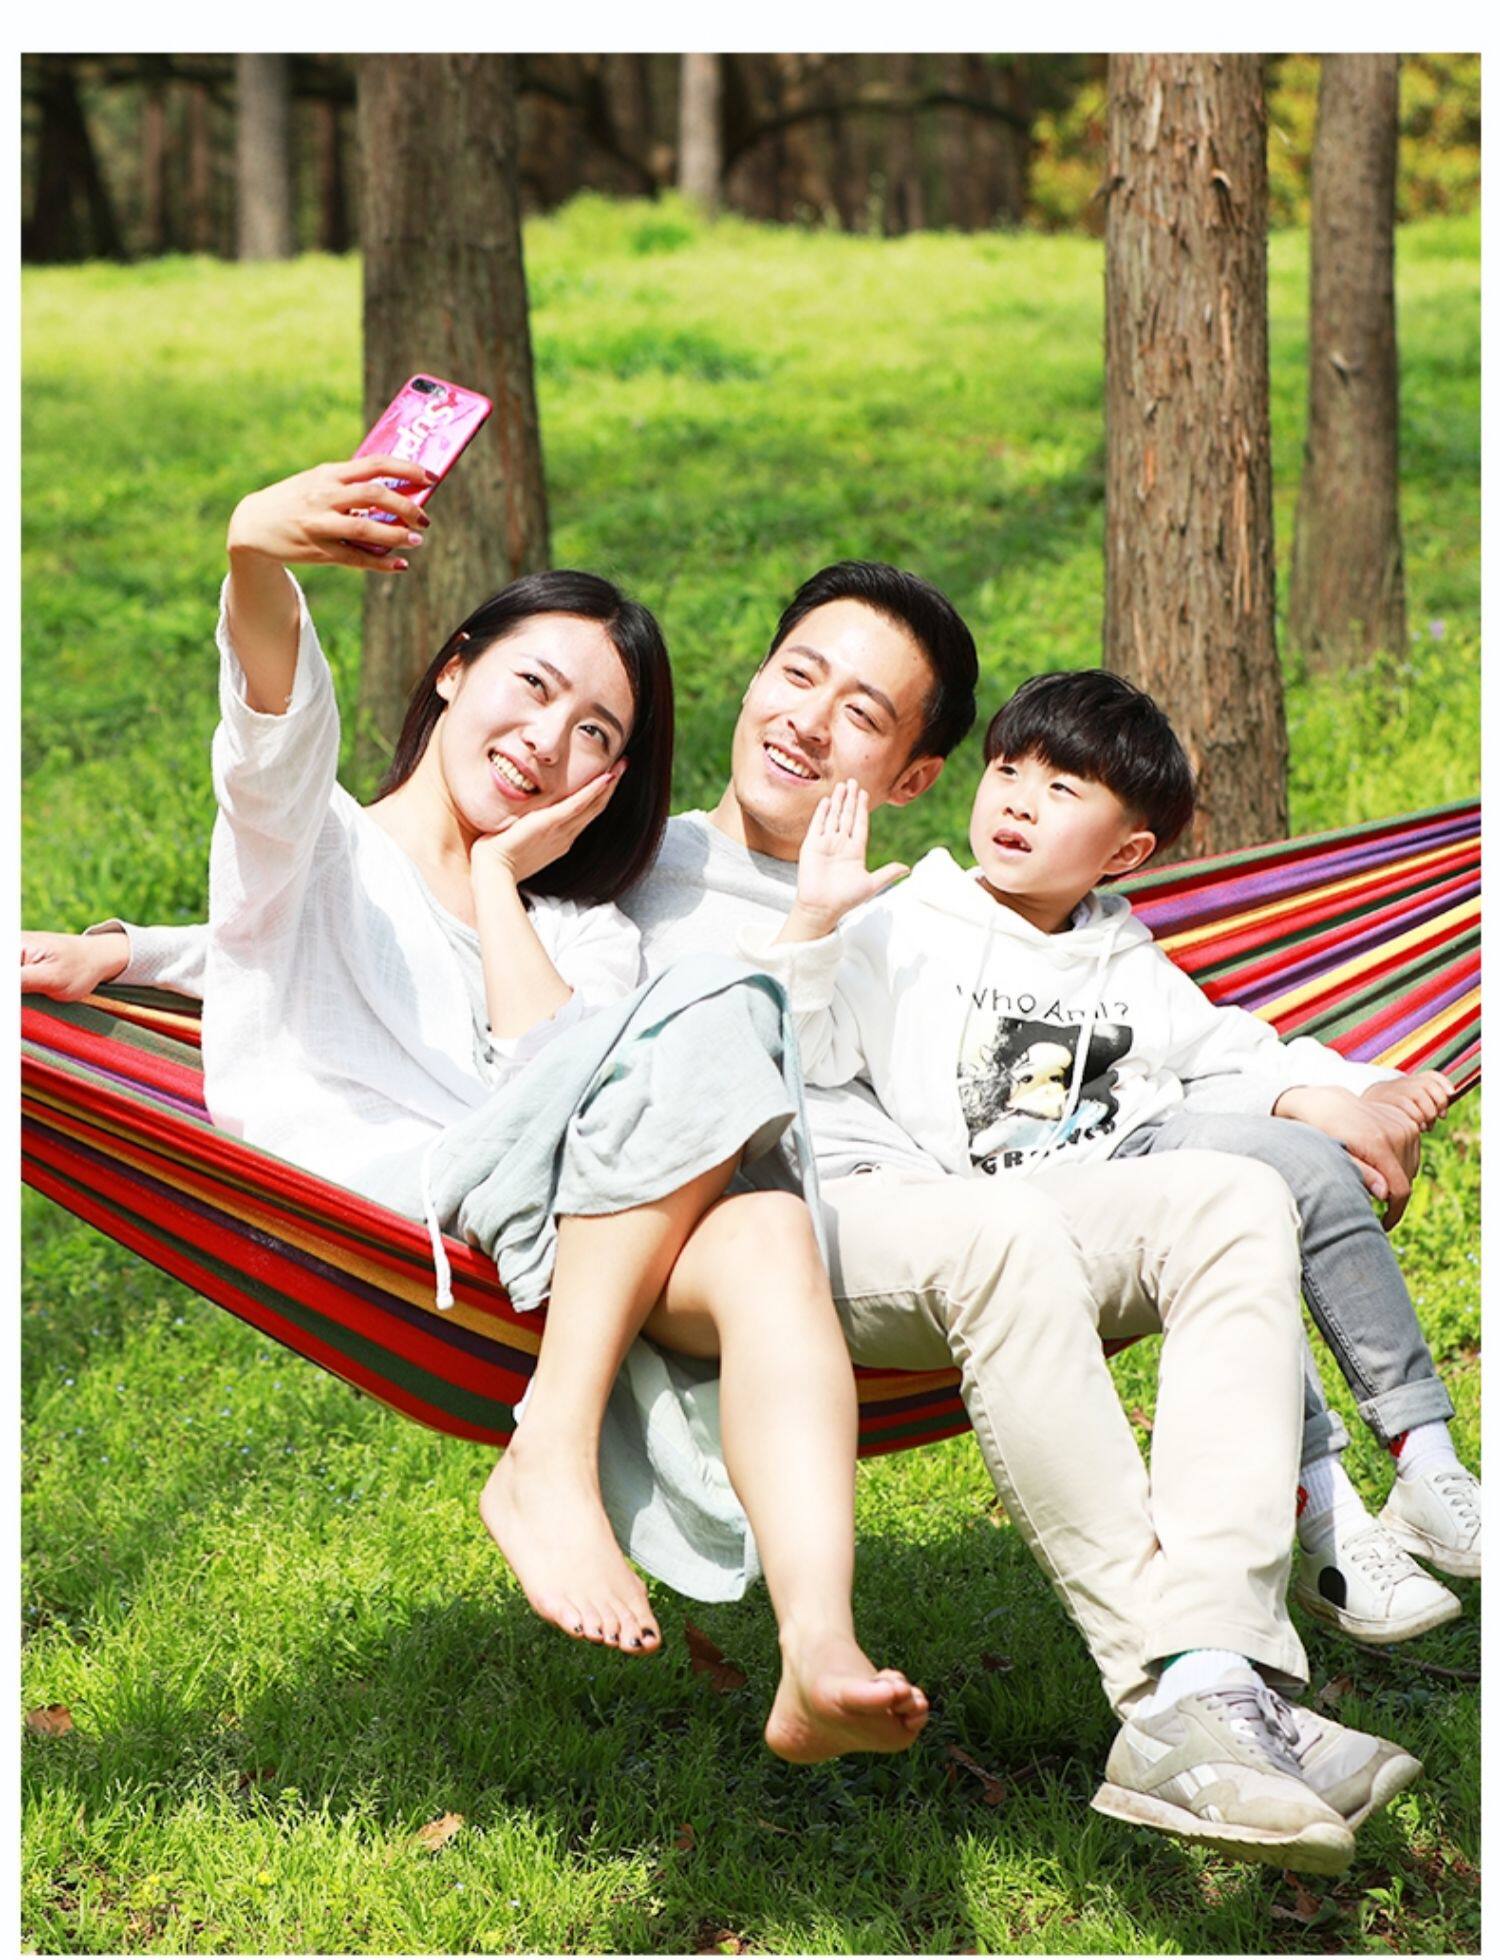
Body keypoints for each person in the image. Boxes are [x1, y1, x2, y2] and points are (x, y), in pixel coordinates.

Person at [23, 562, 1420, 1872]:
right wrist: (130, 953)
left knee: (1234, 1201)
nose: (808, 720)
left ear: (913, 776)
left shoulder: (926, 908)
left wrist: (1315, 1086)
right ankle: (1173, 1688)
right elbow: (382, 941)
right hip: (767, 1233)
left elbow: (1118, 1014)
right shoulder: (623, 868)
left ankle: (1218, 1671)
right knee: (974, 1222)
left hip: (946, 1203)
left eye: (860, 712)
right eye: (797, 674)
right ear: (754, 679)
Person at [38, 451, 936, 1769]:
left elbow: (555, 1069)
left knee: (768, 1230)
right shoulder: (314, 842)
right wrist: (253, 549)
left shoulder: (581, 924)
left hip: (569, 1218)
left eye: (599, 735)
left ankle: (818, 1651)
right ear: (455, 667)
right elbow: (272, 743)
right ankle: (549, 1450)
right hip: (408, 1202)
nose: (549, 741)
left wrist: (508, 889)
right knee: (724, 1003)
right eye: (534, 686)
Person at [761, 668, 1480, 1658]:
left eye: (1062, 789)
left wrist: (1342, 1092)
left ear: (1125, 852)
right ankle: (1326, 1505)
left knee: (1295, 1163)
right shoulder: (903, 927)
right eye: (1007, 771)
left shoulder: (1125, 956)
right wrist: (815, 925)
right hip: (1027, 1218)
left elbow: (1226, 1050)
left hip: (1144, 1156)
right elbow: (801, 1052)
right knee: (1239, 1206)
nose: (1019, 801)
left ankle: (1424, 1459)